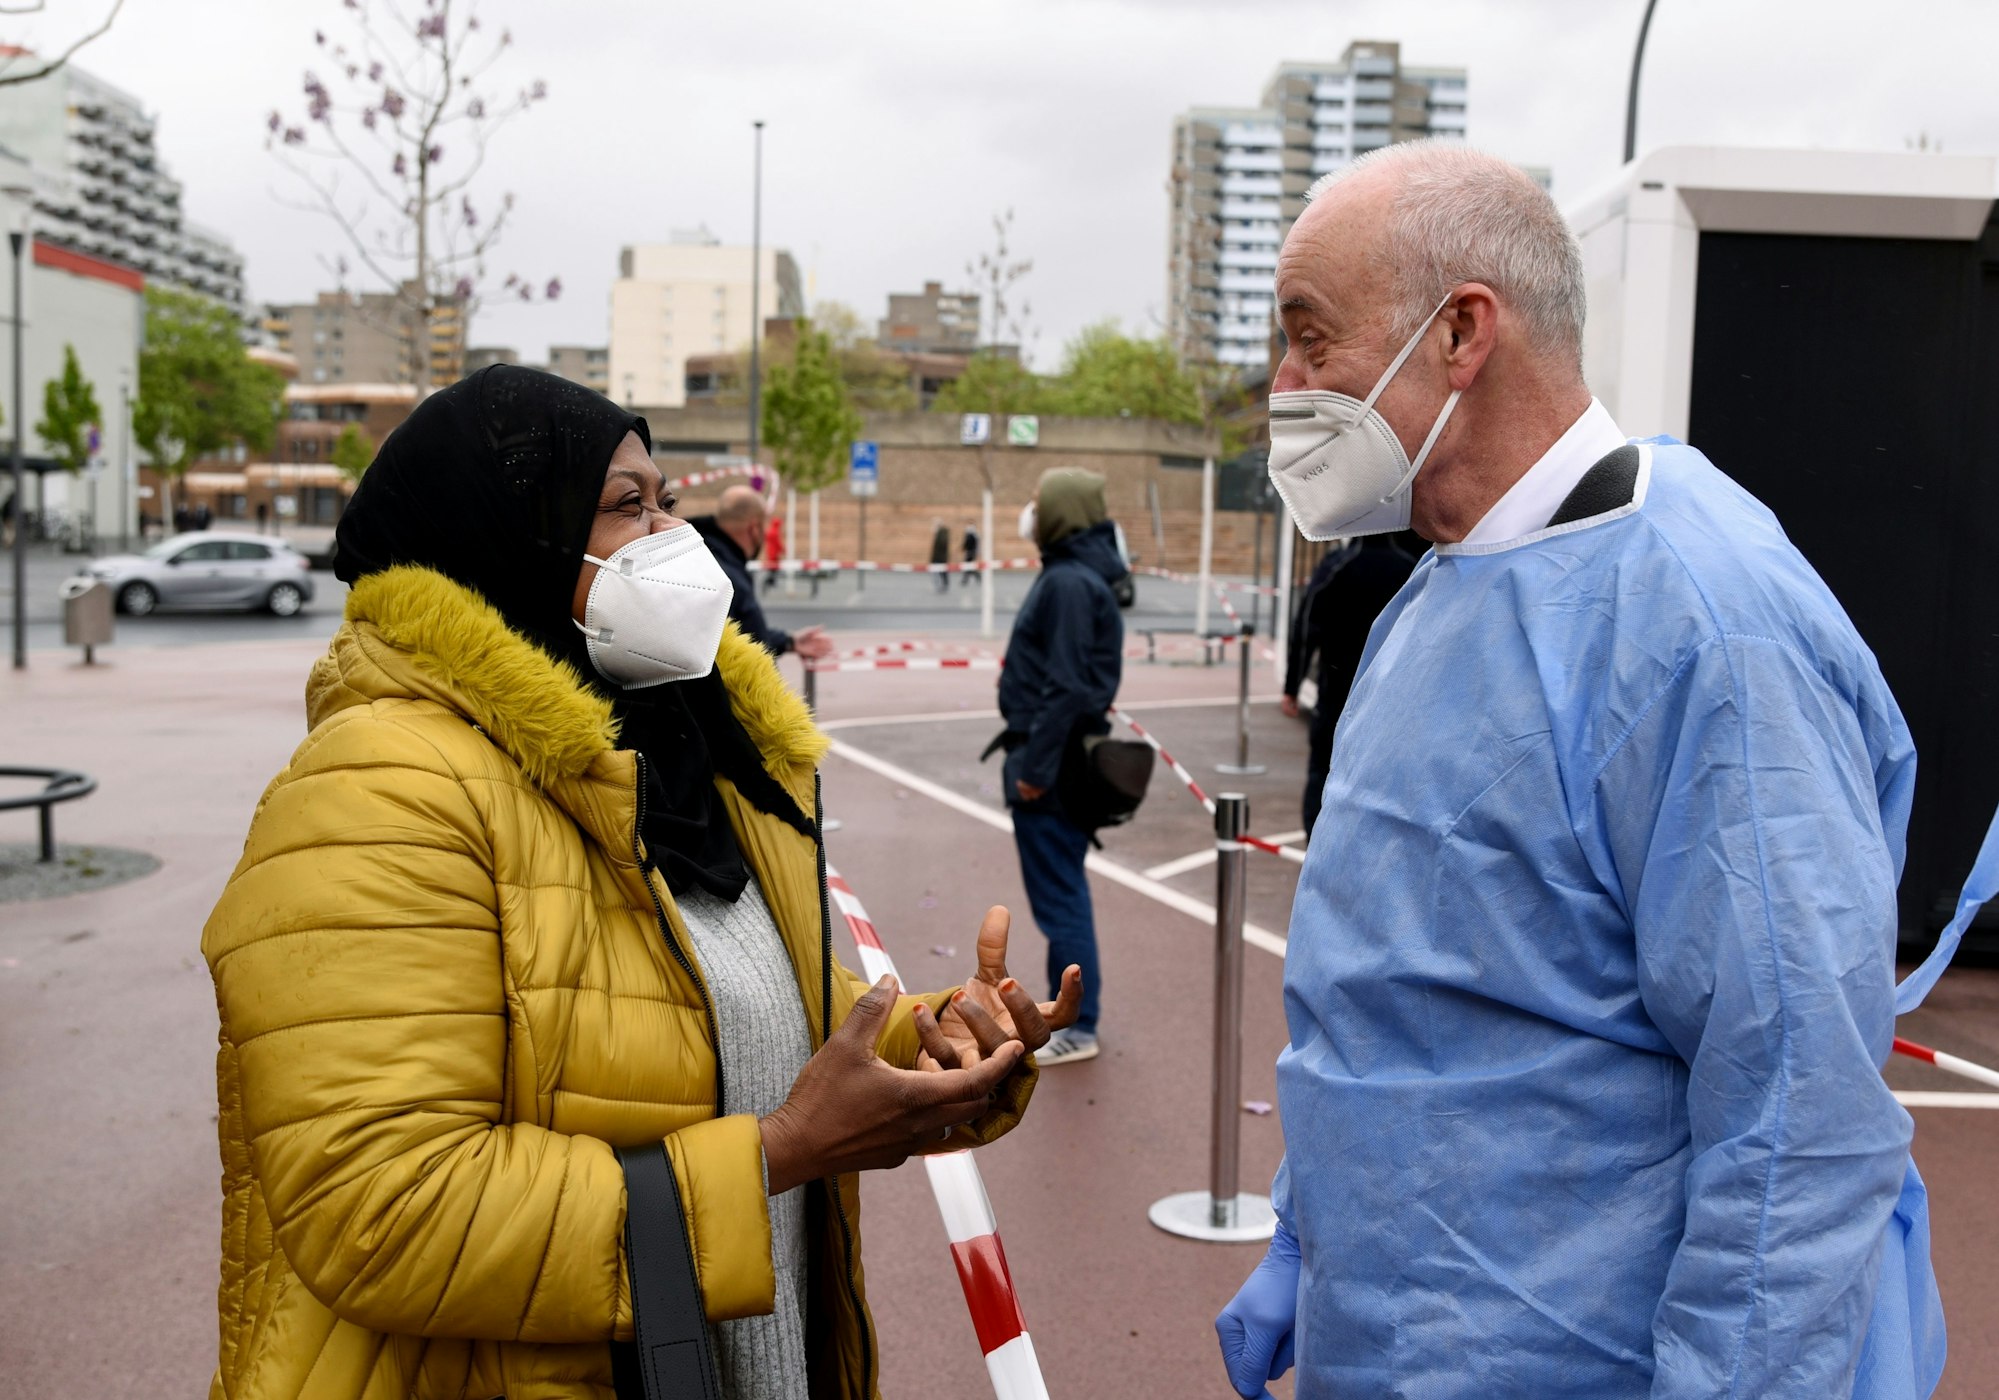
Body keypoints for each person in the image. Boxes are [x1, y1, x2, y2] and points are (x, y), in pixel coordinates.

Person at [199, 366, 1085, 1400]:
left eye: (670, 499)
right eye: (629, 504)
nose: (676, 535)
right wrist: (782, 1151)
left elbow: (726, 1011)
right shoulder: (377, 790)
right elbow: (382, 1206)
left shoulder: (680, 754)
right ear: (509, 530)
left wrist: (936, 1044)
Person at [1217, 144, 1942, 1399]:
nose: (1284, 387)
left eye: (1311, 340)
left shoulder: (1702, 623)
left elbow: (1797, 1112)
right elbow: (1402, 989)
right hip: (1392, 1336)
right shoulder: (1434, 594)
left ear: (1461, 331)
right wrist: (1305, 1226)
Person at [991, 469, 1126, 1066]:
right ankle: (1070, 1014)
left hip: (1053, 765)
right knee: (1061, 893)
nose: (1032, 512)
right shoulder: (1077, 576)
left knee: (1061, 899)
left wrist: (1036, 769)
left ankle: (1078, 1023)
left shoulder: (1069, 582)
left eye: (1040, 502)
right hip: (1060, 758)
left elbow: (1066, 686)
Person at [1279, 532, 1416, 833]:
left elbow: (1306, 627)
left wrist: (1292, 686)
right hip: (1390, 697)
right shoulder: (1411, 570)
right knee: (1380, 778)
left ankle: (1317, 847)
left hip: (1336, 690)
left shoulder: (1336, 566)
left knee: (1323, 771)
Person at [690, 483, 833, 663]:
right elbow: (748, 654)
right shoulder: (730, 581)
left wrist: (789, 641)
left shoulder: (699, 557)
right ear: (754, 529)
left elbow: (744, 636)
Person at [762, 510, 785, 591]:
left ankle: (771, 581)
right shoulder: (775, 532)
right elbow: (778, 543)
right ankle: (770, 581)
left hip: (770, 552)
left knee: (772, 569)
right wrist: (783, 550)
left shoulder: (770, 531)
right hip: (774, 553)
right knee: (774, 569)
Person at [929, 517, 951, 592]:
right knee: (937, 572)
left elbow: (942, 544)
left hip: (941, 557)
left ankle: (943, 584)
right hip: (937, 557)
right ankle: (939, 585)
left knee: (942, 571)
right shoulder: (940, 533)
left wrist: (936, 533)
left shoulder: (943, 533)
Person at [961, 519, 980, 586]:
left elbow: (969, 544)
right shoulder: (971, 535)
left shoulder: (972, 536)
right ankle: (975, 577)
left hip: (971, 553)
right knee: (970, 567)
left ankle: (965, 580)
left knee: (968, 567)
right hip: (970, 553)